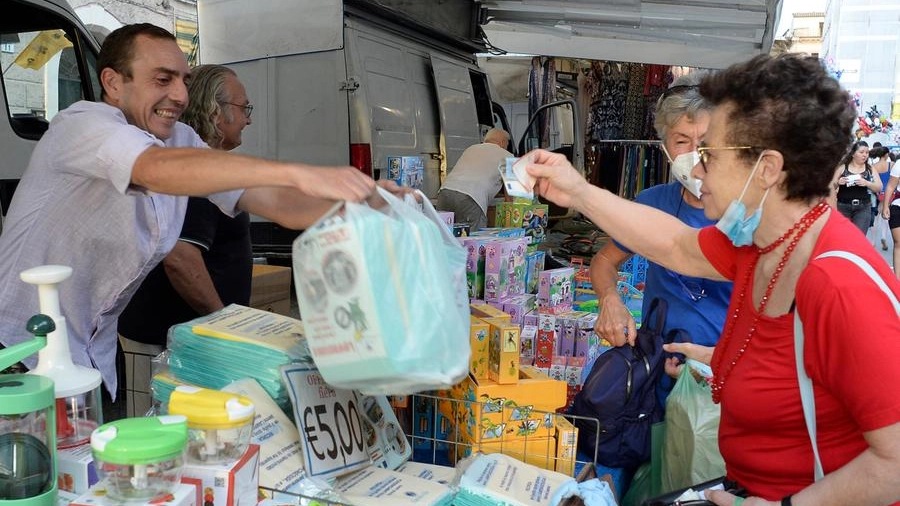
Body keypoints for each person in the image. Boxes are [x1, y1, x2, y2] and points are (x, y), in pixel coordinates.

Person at [525, 53, 900, 504]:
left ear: (765, 169)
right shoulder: (760, 242)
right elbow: (675, 245)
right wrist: (579, 192)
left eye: (709, 154)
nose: (697, 169)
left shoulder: (839, 282)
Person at [0, 24, 385, 396]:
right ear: (114, 83)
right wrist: (298, 171)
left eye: (184, 79)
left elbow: (269, 198)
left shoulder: (180, 139)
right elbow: (154, 170)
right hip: (16, 350)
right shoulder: (83, 125)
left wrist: (362, 204)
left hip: (88, 355)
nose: (181, 95)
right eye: (162, 79)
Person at [116, 64, 254, 416]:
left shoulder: (203, 164)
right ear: (215, 112)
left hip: (184, 339)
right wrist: (222, 323)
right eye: (244, 109)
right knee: (157, 443)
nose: (248, 120)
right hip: (166, 341)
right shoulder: (192, 169)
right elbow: (180, 256)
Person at [589, 73, 732, 408]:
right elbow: (605, 260)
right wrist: (609, 299)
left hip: (723, 378)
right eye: (682, 141)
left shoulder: (746, 213)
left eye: (705, 141)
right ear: (665, 148)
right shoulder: (653, 203)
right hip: (657, 372)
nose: (695, 155)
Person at [436, 128, 512, 230]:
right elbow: (510, 194)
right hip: (471, 198)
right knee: (472, 240)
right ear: (503, 142)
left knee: (443, 235)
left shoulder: (471, 148)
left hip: (445, 193)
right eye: (507, 144)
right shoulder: (507, 155)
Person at [831, 140, 882, 233]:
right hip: (843, 207)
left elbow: (879, 187)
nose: (865, 155)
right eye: (861, 152)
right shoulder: (842, 167)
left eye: (867, 152)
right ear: (853, 154)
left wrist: (867, 183)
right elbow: (831, 187)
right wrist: (838, 182)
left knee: (859, 238)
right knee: (843, 238)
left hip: (863, 207)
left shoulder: (870, 168)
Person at [881, 163, 900, 278]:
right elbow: (890, 186)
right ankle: (897, 281)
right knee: (899, 243)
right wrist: (885, 206)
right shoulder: (899, 164)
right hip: (898, 206)